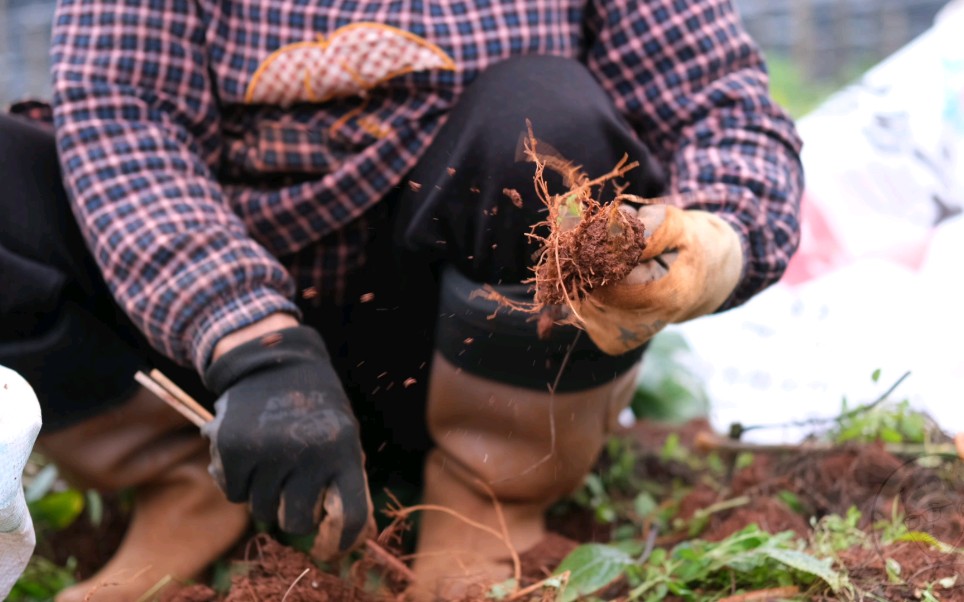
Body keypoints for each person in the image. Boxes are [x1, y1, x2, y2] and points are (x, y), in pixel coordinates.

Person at [0, 0, 802, 599]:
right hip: (203, 346)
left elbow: (716, 101)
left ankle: (488, 506)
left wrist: (722, 236)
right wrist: (253, 340)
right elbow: (126, 123)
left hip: (467, 330)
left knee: (546, 122)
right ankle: (190, 486)